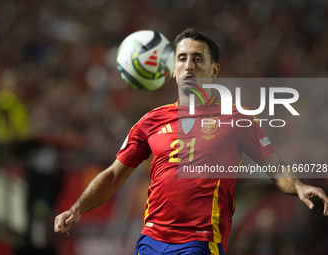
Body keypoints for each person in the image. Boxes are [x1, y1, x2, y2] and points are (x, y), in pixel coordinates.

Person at [54, 28, 328, 255]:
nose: (188, 66)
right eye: (182, 58)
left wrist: (299, 186)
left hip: (199, 240)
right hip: (151, 239)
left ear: (214, 70)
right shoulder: (151, 121)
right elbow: (114, 175)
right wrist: (77, 208)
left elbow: (274, 166)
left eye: (198, 59)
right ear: (173, 70)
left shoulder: (237, 119)